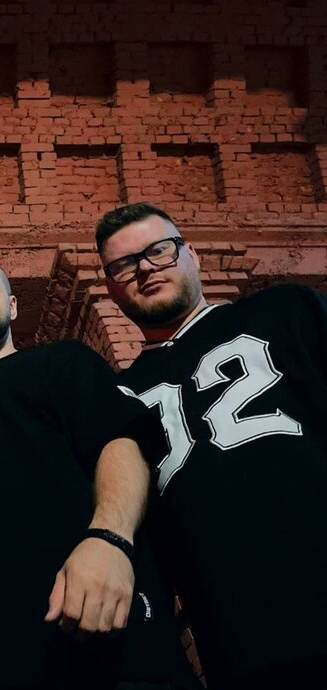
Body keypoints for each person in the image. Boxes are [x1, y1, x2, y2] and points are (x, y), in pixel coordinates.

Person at [0, 253, 198, 690]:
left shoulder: (59, 362)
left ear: (12, 306)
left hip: (93, 645)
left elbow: (121, 440)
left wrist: (110, 538)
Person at [97, 202, 327, 689]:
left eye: (159, 250)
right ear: (111, 287)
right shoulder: (120, 397)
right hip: (237, 644)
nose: (145, 268)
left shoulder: (284, 310)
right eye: (124, 264)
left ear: (192, 254)